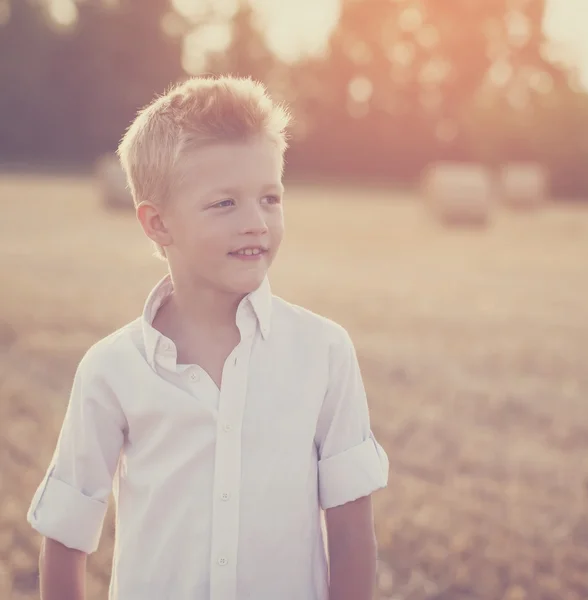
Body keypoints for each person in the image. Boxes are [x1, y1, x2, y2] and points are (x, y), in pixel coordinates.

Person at [27, 75, 389, 600]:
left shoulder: (325, 353)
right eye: (225, 204)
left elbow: (354, 535)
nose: (256, 223)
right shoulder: (110, 370)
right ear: (157, 224)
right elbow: (65, 534)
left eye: (270, 198)